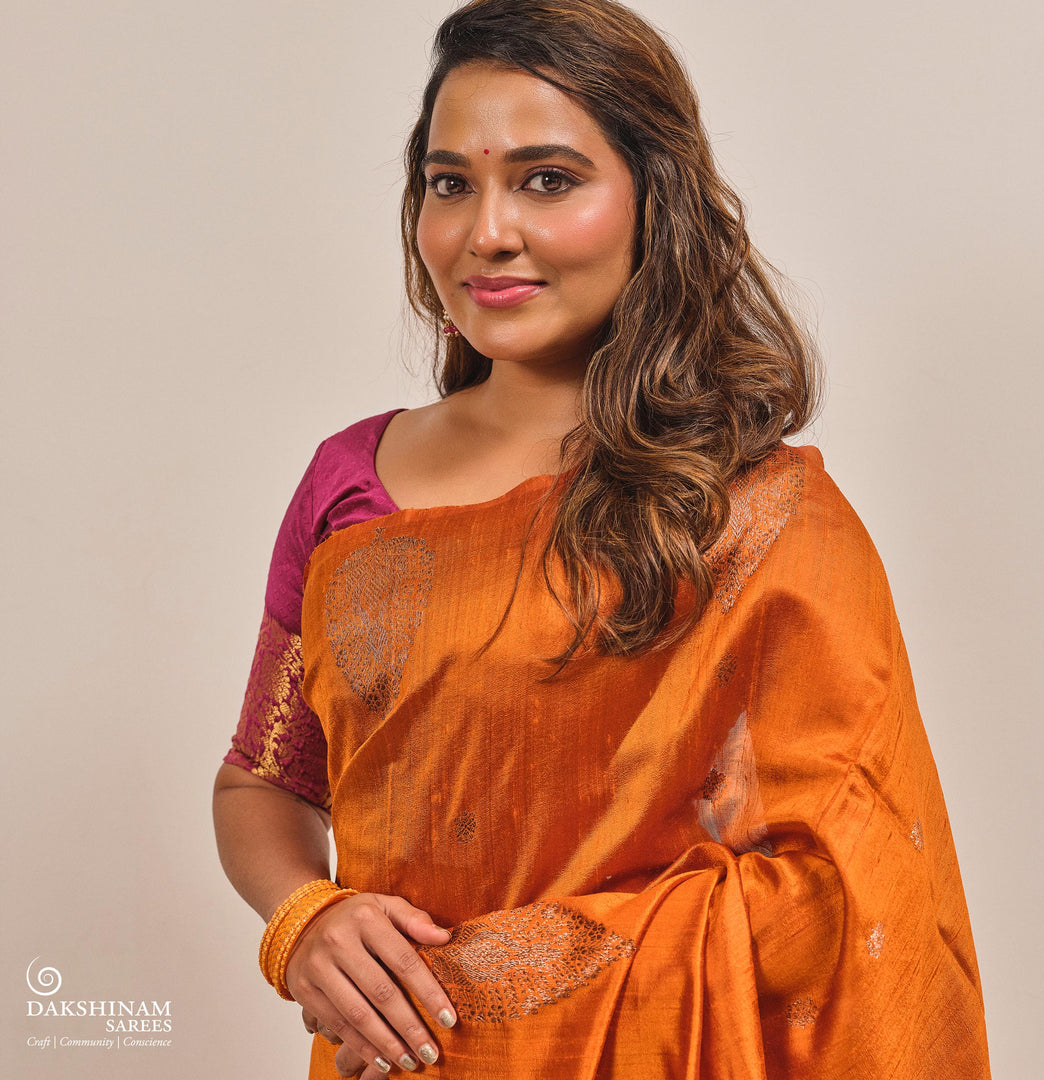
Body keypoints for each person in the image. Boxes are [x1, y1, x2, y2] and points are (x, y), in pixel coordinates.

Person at [212, 1, 992, 1077]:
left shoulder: (759, 514)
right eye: (450, 184)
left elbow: (846, 888)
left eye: (547, 180)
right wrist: (305, 921)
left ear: (651, 200)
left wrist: (496, 985)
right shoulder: (350, 484)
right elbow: (262, 781)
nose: (487, 230)